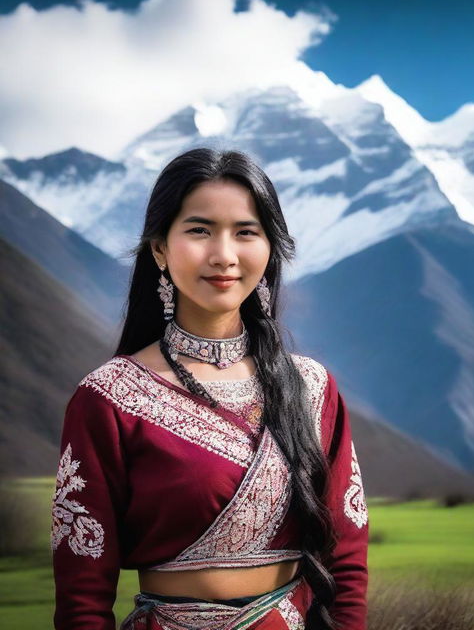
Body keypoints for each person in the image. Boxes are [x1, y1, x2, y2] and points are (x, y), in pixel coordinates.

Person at [50, 148, 369, 630]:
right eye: (199, 230)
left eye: (246, 232)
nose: (224, 255)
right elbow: (82, 595)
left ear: (269, 248)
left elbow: (346, 561)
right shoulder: (109, 398)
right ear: (159, 247)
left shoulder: (311, 388)